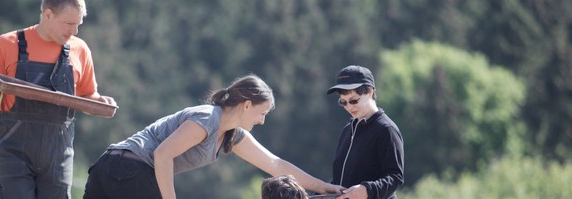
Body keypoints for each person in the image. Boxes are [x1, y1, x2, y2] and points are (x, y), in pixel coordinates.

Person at [83, 74, 343, 199]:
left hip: (108, 169)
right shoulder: (208, 118)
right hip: (128, 169)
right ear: (246, 105)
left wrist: (323, 187)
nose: (262, 121)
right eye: (262, 113)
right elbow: (163, 154)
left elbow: (275, 165)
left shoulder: (232, 135)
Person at [0, 0, 117, 198]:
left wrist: (100, 102)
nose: (74, 31)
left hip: (58, 158)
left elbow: (88, 96)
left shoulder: (80, 50)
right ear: (48, 15)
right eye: (68, 24)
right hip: (14, 155)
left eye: (78, 24)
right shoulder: (7, 44)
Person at [325, 65, 404, 199]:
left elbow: (395, 177)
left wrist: (367, 190)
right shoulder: (348, 129)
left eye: (354, 100)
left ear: (371, 92)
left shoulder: (386, 130)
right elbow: (340, 180)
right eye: (343, 102)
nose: (349, 107)